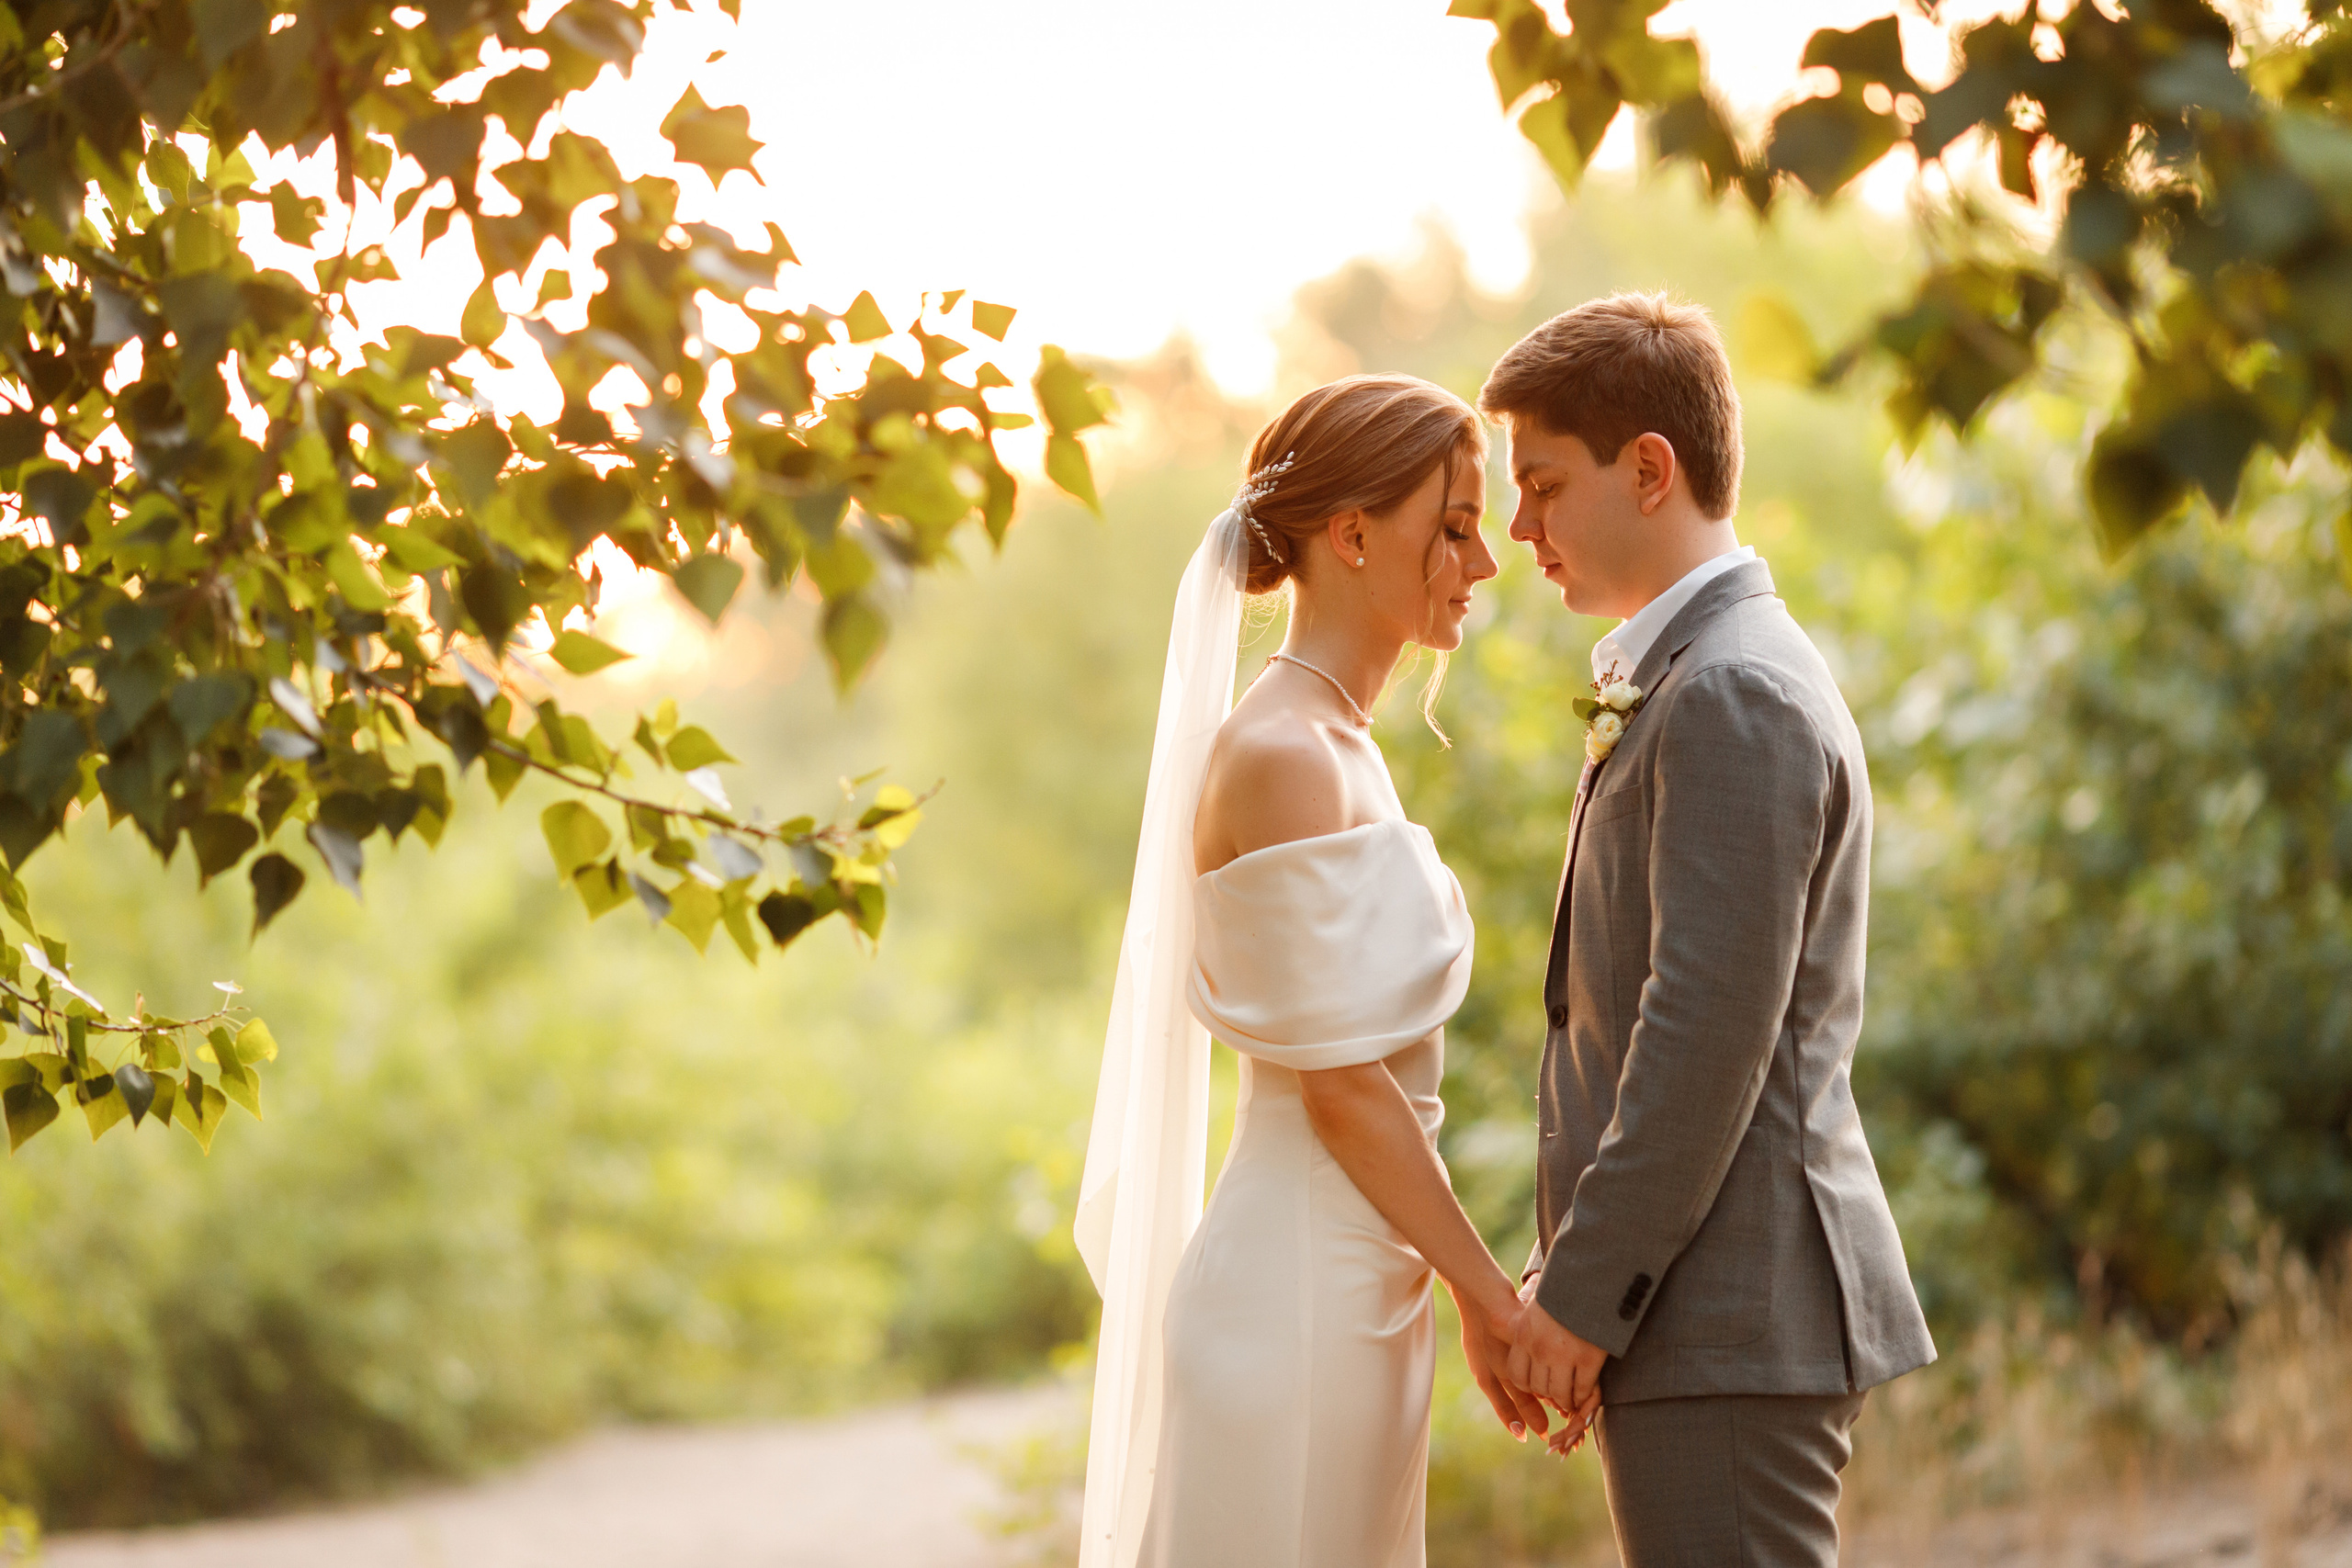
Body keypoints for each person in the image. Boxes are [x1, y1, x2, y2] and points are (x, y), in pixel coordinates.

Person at [1483, 292, 1939, 1567]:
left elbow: (1703, 1037)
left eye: (1542, 484)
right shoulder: (1699, 672)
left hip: (1732, 1309)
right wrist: (1567, 1272)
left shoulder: (1732, 687)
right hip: (1702, 1307)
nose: (1521, 527)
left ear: (1648, 468)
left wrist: (1584, 1296)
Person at [1073, 374, 1551, 1568]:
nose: (1482, 563)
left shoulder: (1342, 745)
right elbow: (1341, 1091)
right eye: (1451, 526)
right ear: (1348, 536)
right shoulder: (1285, 751)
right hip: (1293, 1300)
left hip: (1360, 1289)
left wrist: (1448, 1293)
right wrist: (1494, 1300)